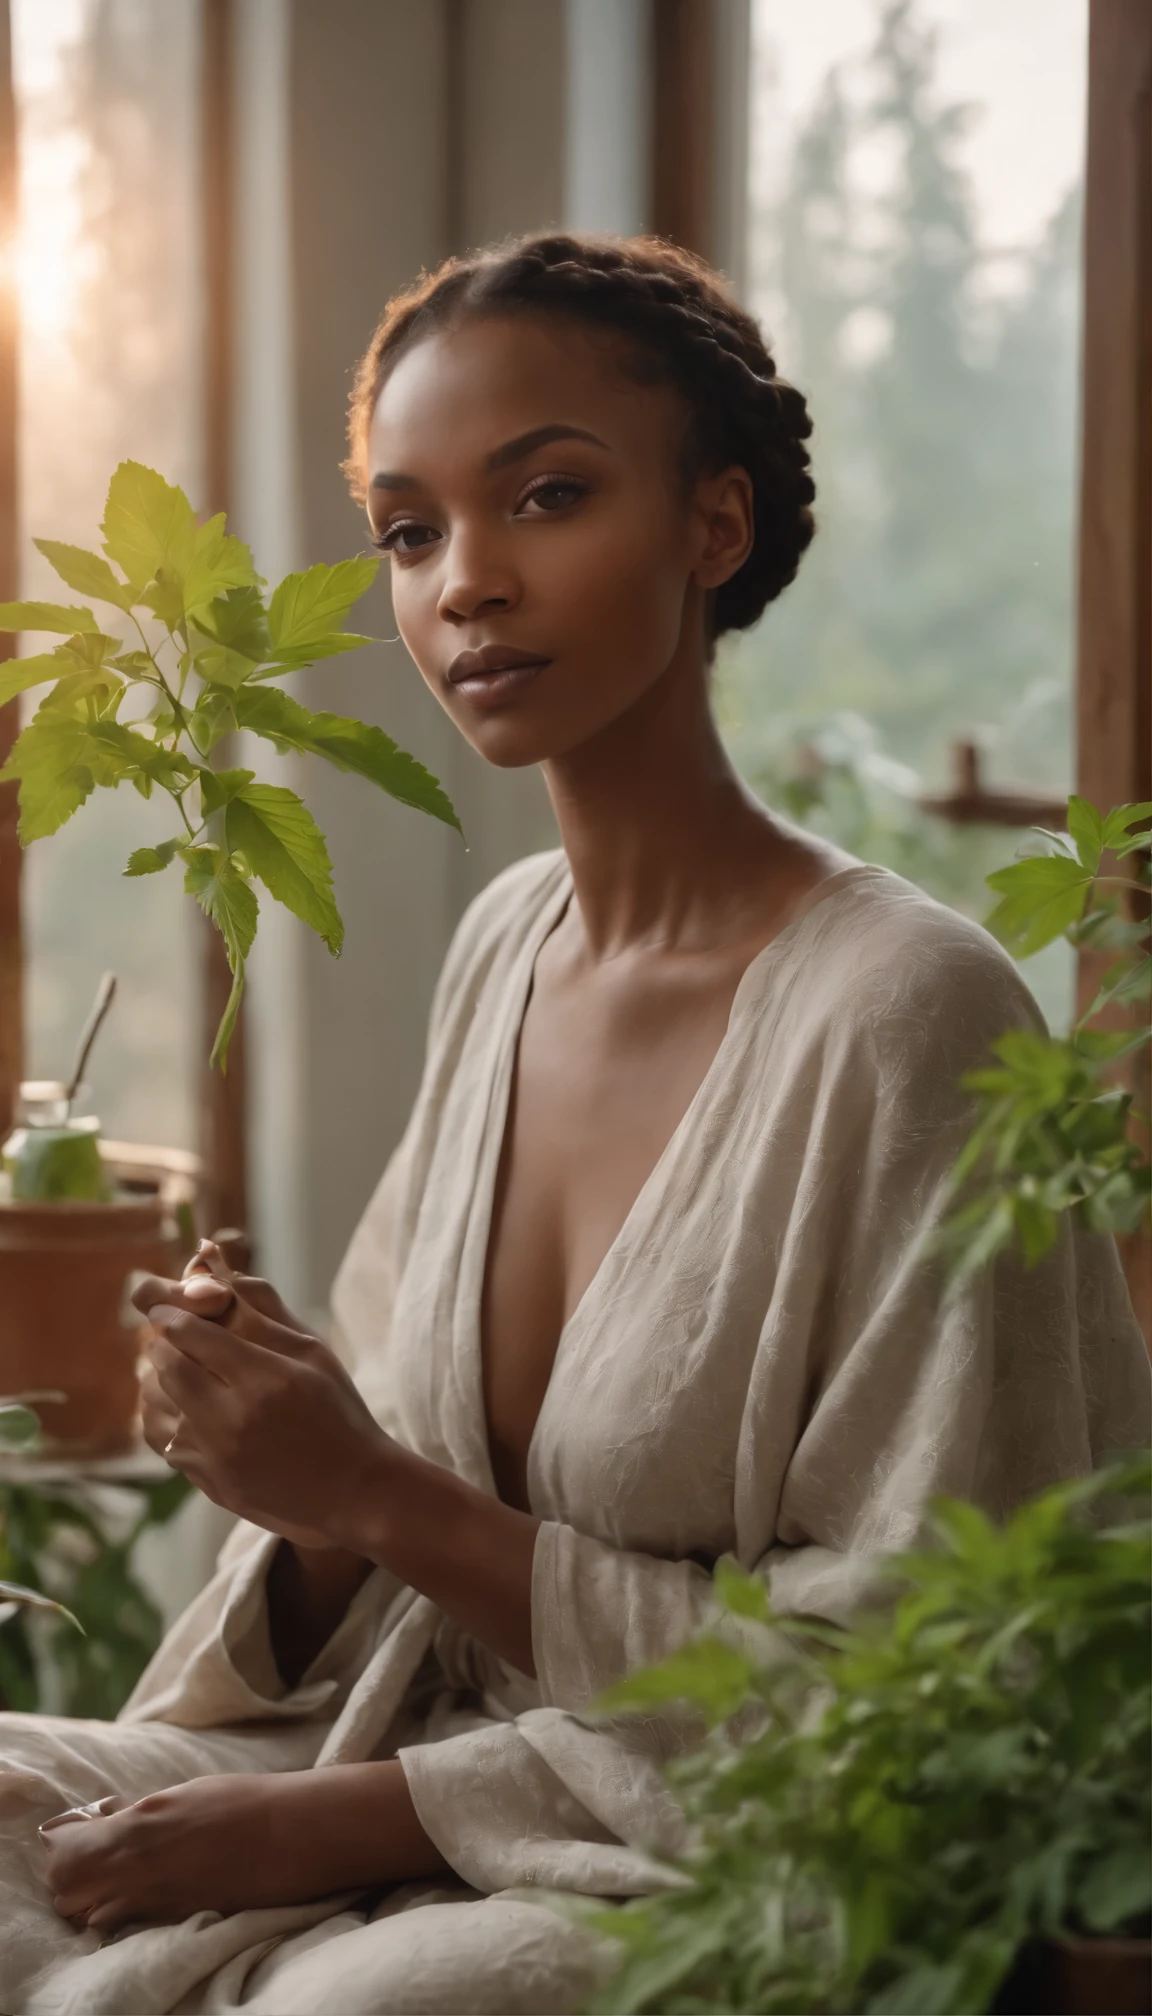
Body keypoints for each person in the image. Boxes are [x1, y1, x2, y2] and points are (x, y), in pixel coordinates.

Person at [1, 232, 1147, 2016]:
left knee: (346, 2010)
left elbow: (937, 1706)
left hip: (729, 1853)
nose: (466, 582)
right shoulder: (503, 953)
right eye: (409, 529)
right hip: (409, 1755)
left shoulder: (905, 1013)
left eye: (544, 495)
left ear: (717, 525)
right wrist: (296, 1472)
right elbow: (373, 1513)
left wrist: (357, 1792)